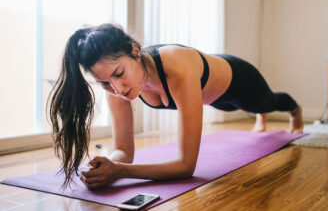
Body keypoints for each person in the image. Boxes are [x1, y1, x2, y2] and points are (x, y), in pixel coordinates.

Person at [49, 23, 303, 190]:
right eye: (104, 83)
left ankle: (294, 109)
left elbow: (185, 166)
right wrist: (107, 164)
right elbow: (124, 151)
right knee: (234, 108)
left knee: (266, 102)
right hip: (212, 98)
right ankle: (261, 117)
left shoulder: (177, 66)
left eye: (119, 73)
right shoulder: (115, 86)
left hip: (240, 81)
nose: (117, 89)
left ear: (135, 51)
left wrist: (120, 173)